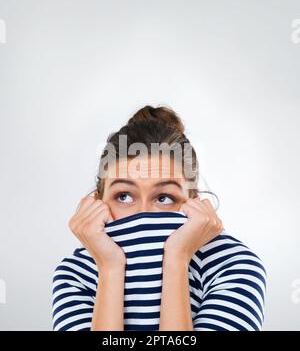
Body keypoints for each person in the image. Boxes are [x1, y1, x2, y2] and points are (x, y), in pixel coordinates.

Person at [52, 105, 267, 331]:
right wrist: (109, 268)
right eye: (124, 196)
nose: (143, 213)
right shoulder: (75, 274)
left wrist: (178, 259)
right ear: (97, 202)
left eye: (164, 197)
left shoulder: (232, 265)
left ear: (193, 203)